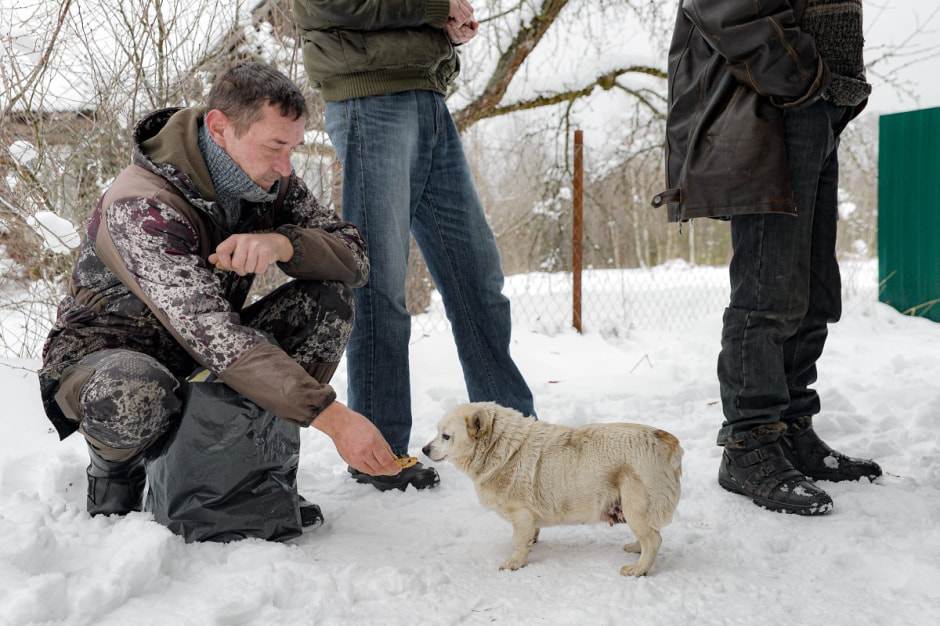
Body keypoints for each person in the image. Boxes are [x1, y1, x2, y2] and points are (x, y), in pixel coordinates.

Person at [38, 62, 401, 521]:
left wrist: (285, 243)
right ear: (220, 128)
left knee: (326, 300)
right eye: (274, 146)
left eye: (294, 148)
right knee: (135, 386)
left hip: (203, 349)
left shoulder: (271, 180)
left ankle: (245, 466)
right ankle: (116, 472)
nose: (286, 165)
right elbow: (215, 336)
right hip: (108, 356)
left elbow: (356, 258)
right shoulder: (142, 205)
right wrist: (333, 420)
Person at [292, 0, 536, 491]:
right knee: (380, 288)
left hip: (428, 99)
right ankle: (379, 456)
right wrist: (434, 8)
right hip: (371, 101)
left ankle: (513, 440)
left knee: (478, 280)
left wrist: (445, 29)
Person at [652, 0, 881, 515]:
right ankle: (749, 444)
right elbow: (725, 8)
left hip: (819, 104)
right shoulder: (795, 85)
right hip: (777, 103)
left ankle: (792, 428)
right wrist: (804, 77)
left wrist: (826, 91)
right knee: (768, 289)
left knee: (813, 288)